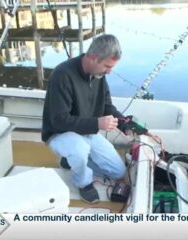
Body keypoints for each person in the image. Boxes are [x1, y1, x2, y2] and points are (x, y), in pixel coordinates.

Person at [42, 34, 127, 204]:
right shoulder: (62, 75)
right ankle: (83, 183)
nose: (109, 72)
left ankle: (70, 161)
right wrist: (97, 123)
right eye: (107, 66)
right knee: (79, 150)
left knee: (118, 172)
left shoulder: (99, 76)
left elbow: (107, 106)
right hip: (60, 133)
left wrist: (127, 124)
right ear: (94, 57)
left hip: (87, 130)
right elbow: (58, 120)